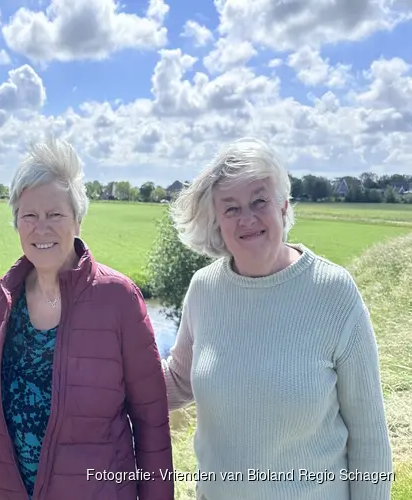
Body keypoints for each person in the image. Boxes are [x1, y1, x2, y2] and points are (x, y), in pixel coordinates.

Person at [163, 137, 394, 500]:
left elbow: (370, 439)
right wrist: (92, 381)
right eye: (231, 208)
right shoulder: (204, 289)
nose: (247, 218)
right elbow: (178, 381)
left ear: (284, 208)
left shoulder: (333, 292)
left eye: (259, 201)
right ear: (217, 222)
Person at [0, 139, 174, 500]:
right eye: (29, 215)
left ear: (78, 220)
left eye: (55, 215)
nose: (41, 228)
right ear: (16, 222)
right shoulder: (2, 298)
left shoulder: (119, 298)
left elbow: (151, 422)